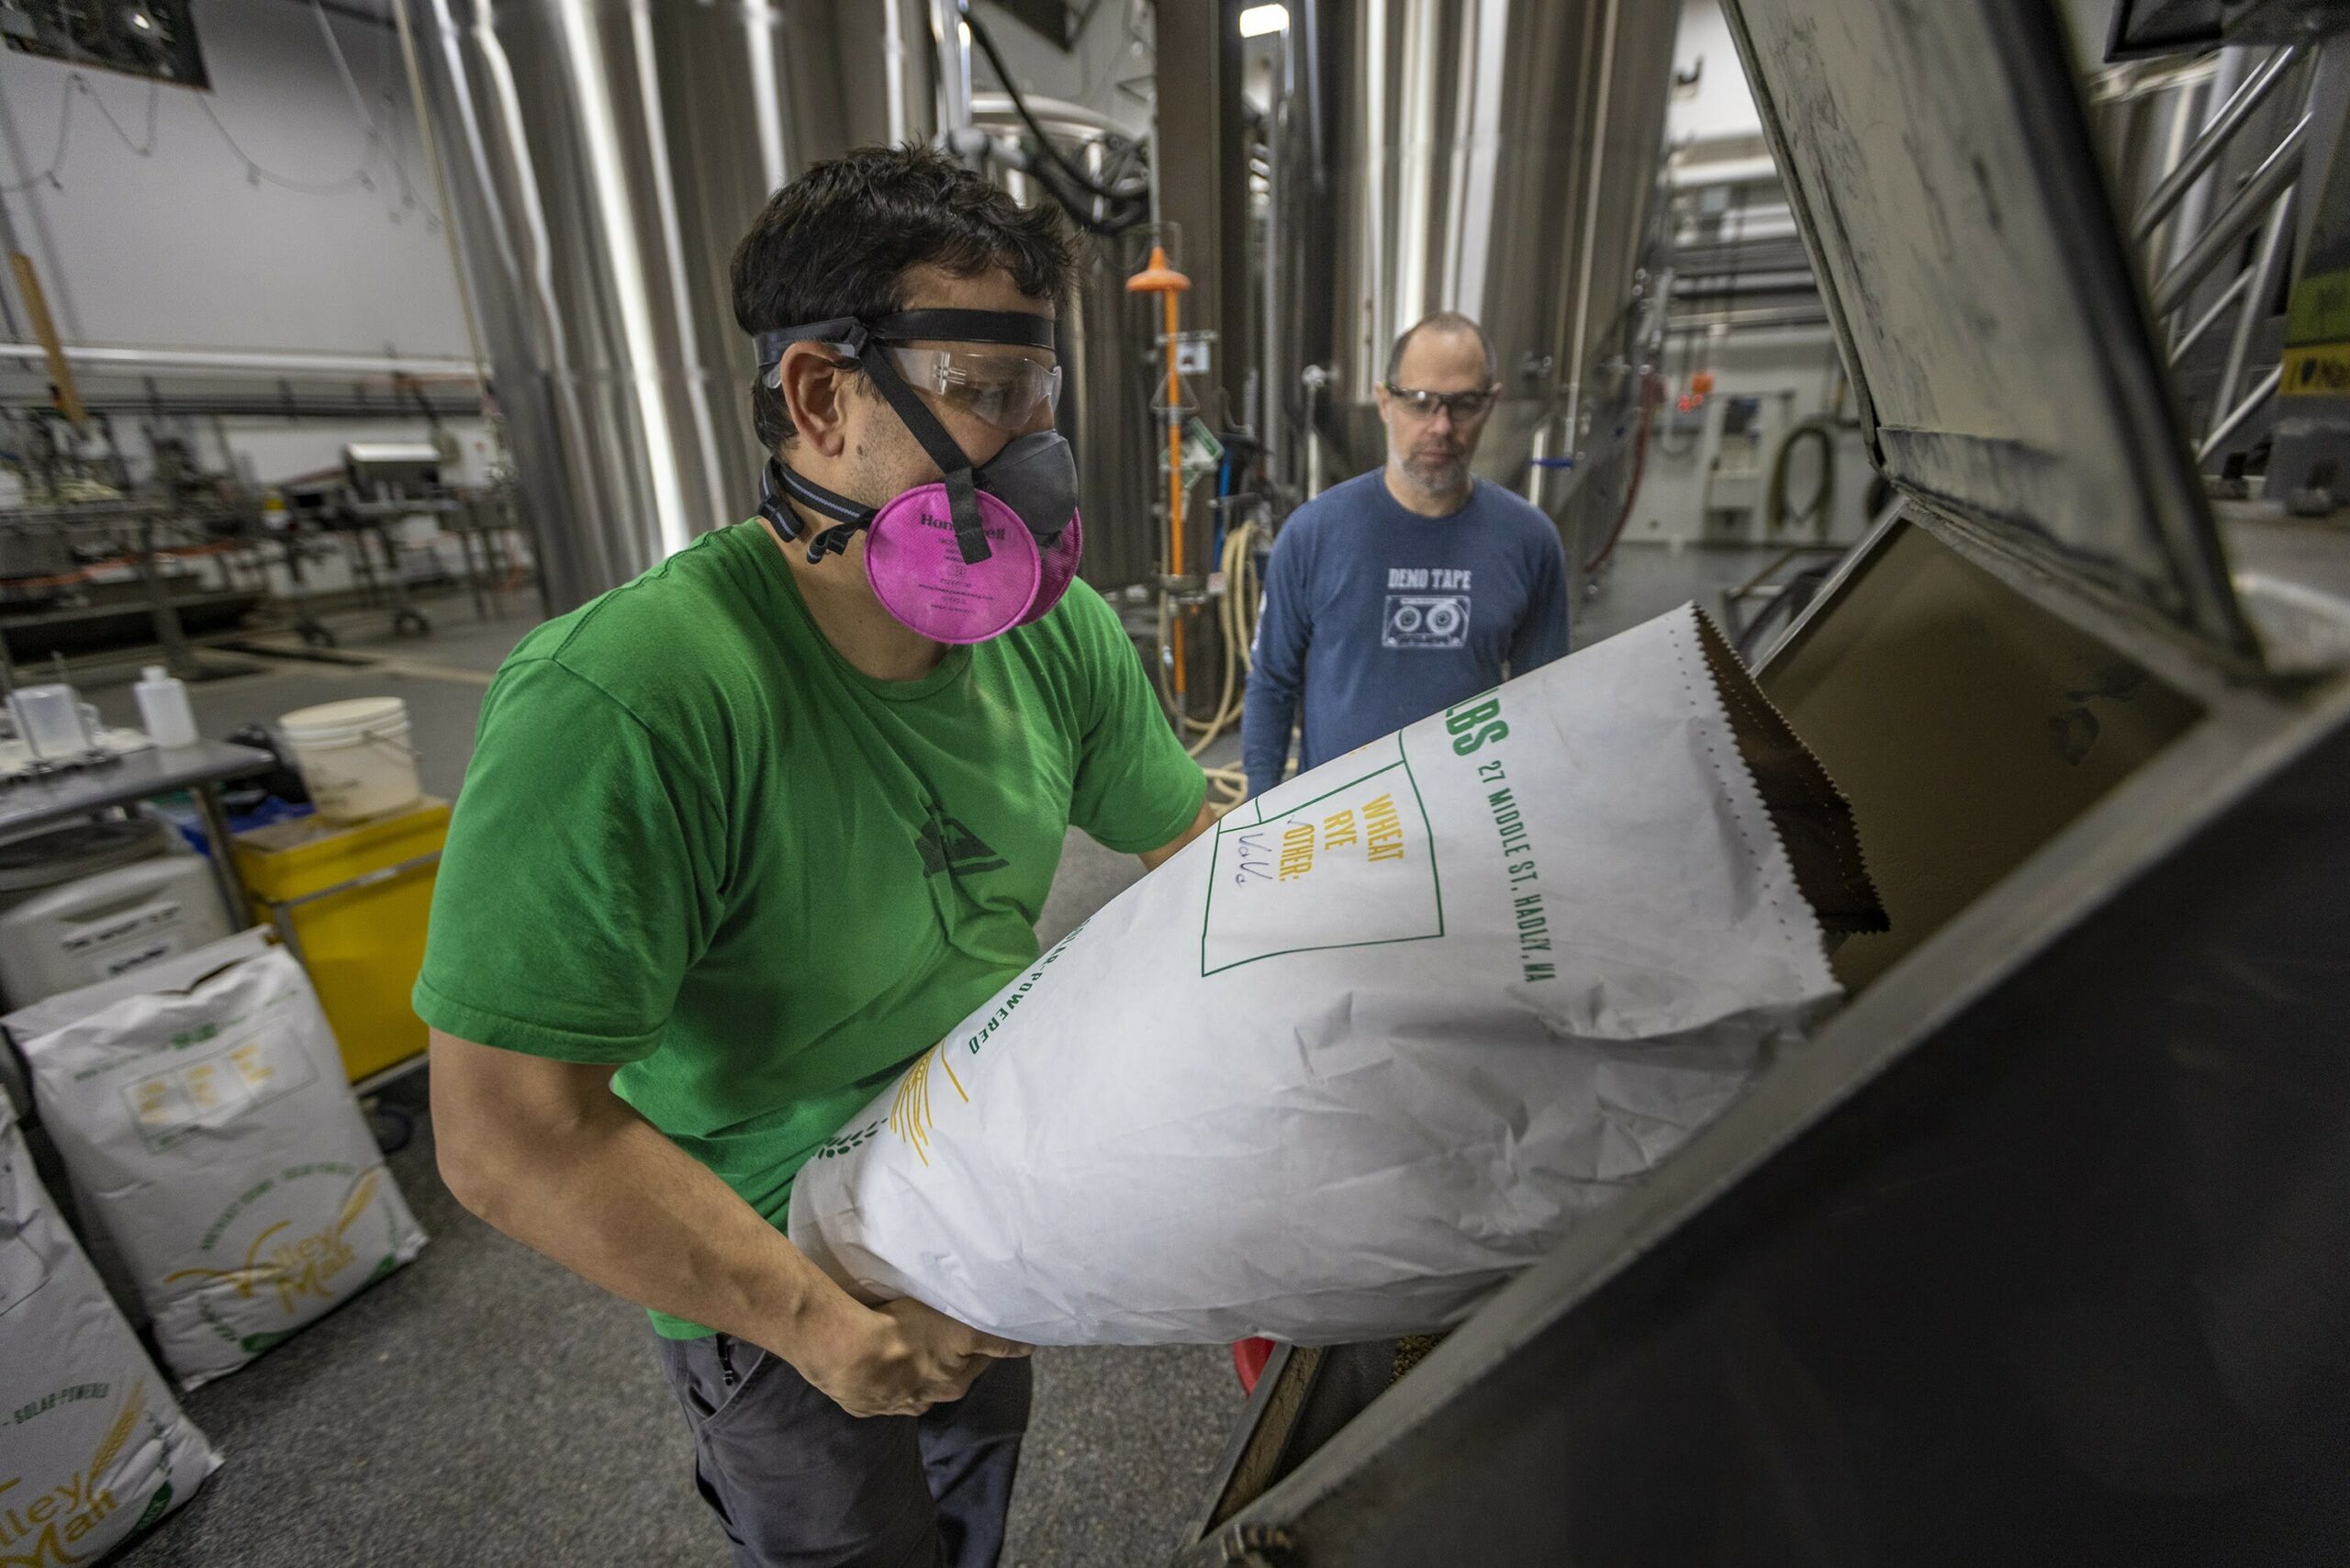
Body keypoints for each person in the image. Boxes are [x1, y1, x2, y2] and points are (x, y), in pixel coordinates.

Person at [414, 145, 1214, 1568]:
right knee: (850, 1546)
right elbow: (505, 1137)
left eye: (1040, 400)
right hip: (770, 1266)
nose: (1033, 453)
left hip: (985, 1202)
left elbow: (1195, 850)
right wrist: (813, 1324)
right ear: (820, 399)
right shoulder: (634, 701)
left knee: (974, 1504)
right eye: (979, 395)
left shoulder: (1053, 634)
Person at [1241, 312, 1571, 798]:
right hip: (1338, 822)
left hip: (1471, 818)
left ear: (1491, 403)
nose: (1441, 426)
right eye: (1419, 402)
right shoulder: (1312, 535)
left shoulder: (1530, 541)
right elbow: (1272, 681)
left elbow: (1541, 699)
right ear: (1383, 401)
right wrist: (1261, 810)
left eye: (1464, 405)